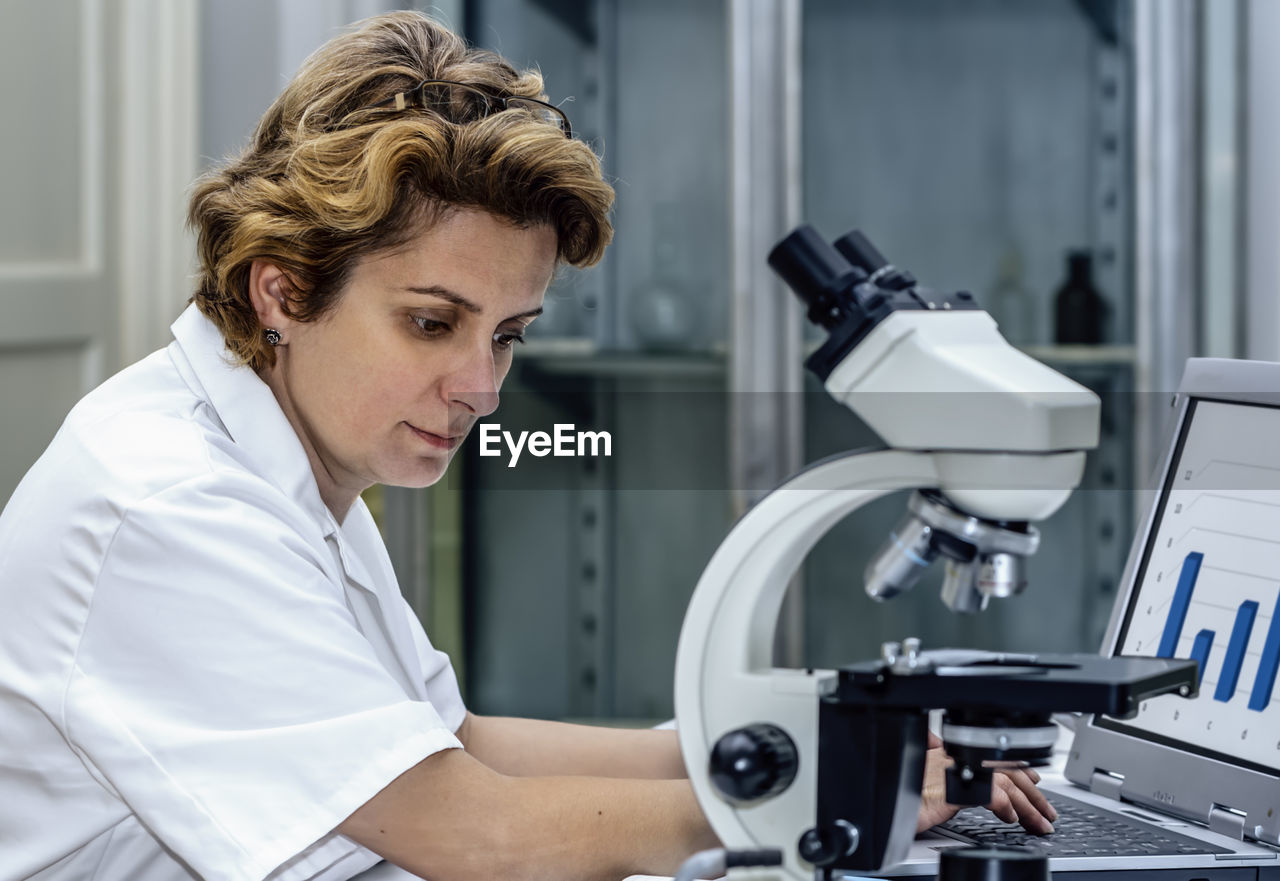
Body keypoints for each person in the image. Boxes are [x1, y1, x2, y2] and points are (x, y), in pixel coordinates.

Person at [0, 11, 1055, 881]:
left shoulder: (284, 448)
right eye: (430, 321)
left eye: (506, 334)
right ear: (280, 289)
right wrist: (807, 797)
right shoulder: (170, 503)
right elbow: (470, 828)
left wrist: (824, 749)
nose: (480, 389)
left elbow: (447, 743)